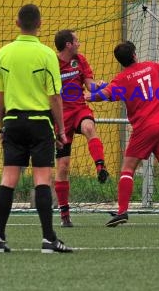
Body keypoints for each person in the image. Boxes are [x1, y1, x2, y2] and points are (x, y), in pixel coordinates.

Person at [0, 4, 72, 253]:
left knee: (8, 179)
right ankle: (48, 239)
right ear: (40, 24)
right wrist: (61, 130)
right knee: (42, 180)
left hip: (13, 122)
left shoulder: (4, 53)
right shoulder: (47, 54)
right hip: (40, 123)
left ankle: (0, 238)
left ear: (17, 23)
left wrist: (2, 125)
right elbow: (55, 96)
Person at [86, 41, 159, 227]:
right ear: (135, 54)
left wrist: (89, 96)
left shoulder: (122, 79)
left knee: (127, 169)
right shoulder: (150, 66)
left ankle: (122, 212)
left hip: (144, 128)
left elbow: (106, 94)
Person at [54, 29, 109, 228]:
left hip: (78, 109)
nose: (79, 43)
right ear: (68, 44)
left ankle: (100, 165)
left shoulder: (80, 60)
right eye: (76, 40)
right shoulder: (52, 63)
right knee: (63, 166)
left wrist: (102, 86)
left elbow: (90, 86)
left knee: (88, 127)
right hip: (59, 118)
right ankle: (64, 215)